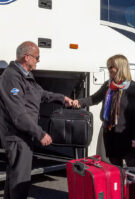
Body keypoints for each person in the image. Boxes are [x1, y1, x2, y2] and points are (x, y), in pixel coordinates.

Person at [0, 41, 73, 199]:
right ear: (27, 57)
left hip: (23, 137)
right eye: (37, 57)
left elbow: (41, 93)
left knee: (14, 178)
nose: (38, 60)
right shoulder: (12, 77)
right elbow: (18, 115)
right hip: (16, 137)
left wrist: (62, 98)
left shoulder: (25, 76)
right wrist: (40, 133)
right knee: (20, 181)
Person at [73, 54, 135, 167]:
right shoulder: (108, 85)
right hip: (110, 133)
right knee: (115, 165)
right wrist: (79, 102)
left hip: (126, 134)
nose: (109, 69)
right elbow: (94, 98)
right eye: (109, 66)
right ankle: (120, 185)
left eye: (112, 66)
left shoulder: (133, 88)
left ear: (121, 68)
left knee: (132, 165)